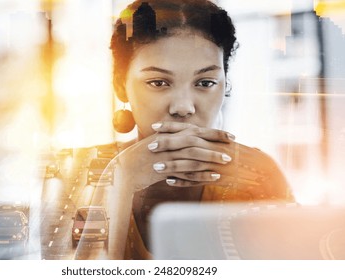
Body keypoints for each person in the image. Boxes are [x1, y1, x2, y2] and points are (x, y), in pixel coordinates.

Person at [87, 0, 294, 260]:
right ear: (120, 85)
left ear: (225, 84)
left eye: (205, 82)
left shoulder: (256, 174)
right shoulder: (70, 173)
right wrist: (121, 179)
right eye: (158, 82)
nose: (183, 108)